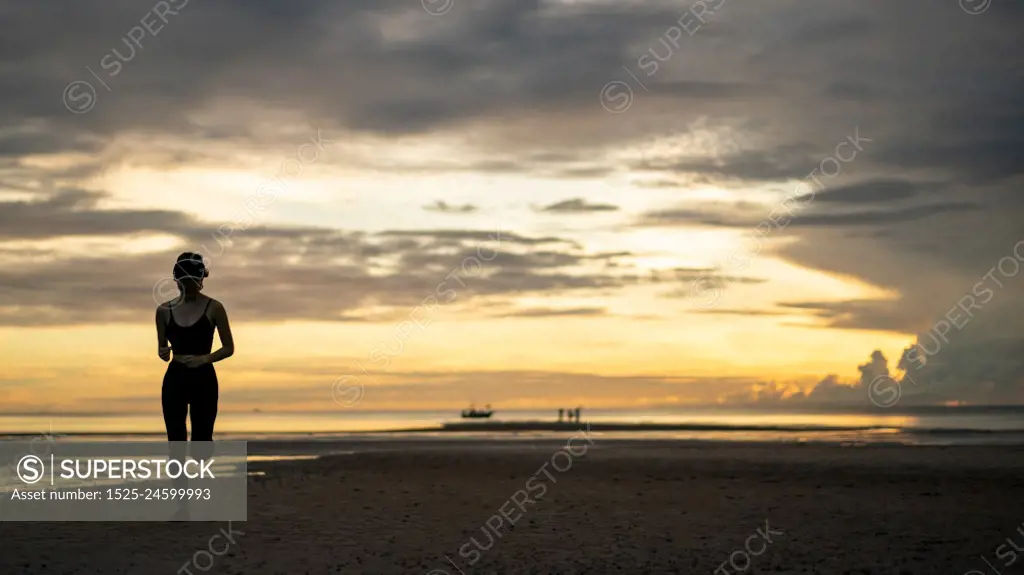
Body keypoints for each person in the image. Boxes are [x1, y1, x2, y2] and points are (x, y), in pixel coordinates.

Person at [156, 252, 234, 451]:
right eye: (183, 281)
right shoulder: (164, 310)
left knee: (202, 439)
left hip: (203, 379)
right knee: (175, 440)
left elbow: (228, 348)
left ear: (201, 279)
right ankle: (180, 481)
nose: (187, 286)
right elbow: (163, 351)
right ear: (177, 280)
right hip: (175, 378)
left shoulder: (214, 307)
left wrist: (204, 359)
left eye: (191, 281)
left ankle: (201, 467)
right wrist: (164, 352)